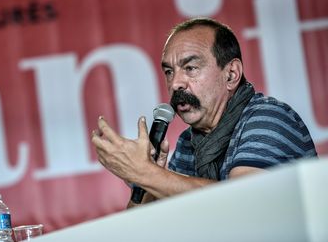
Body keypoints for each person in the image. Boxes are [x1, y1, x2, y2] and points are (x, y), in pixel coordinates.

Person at [91, 17, 318, 207]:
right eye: (169, 71)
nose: (176, 83)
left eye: (190, 68)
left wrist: (146, 174)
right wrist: (149, 181)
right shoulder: (187, 144)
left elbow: (245, 204)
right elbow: (141, 229)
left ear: (231, 75)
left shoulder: (268, 119)